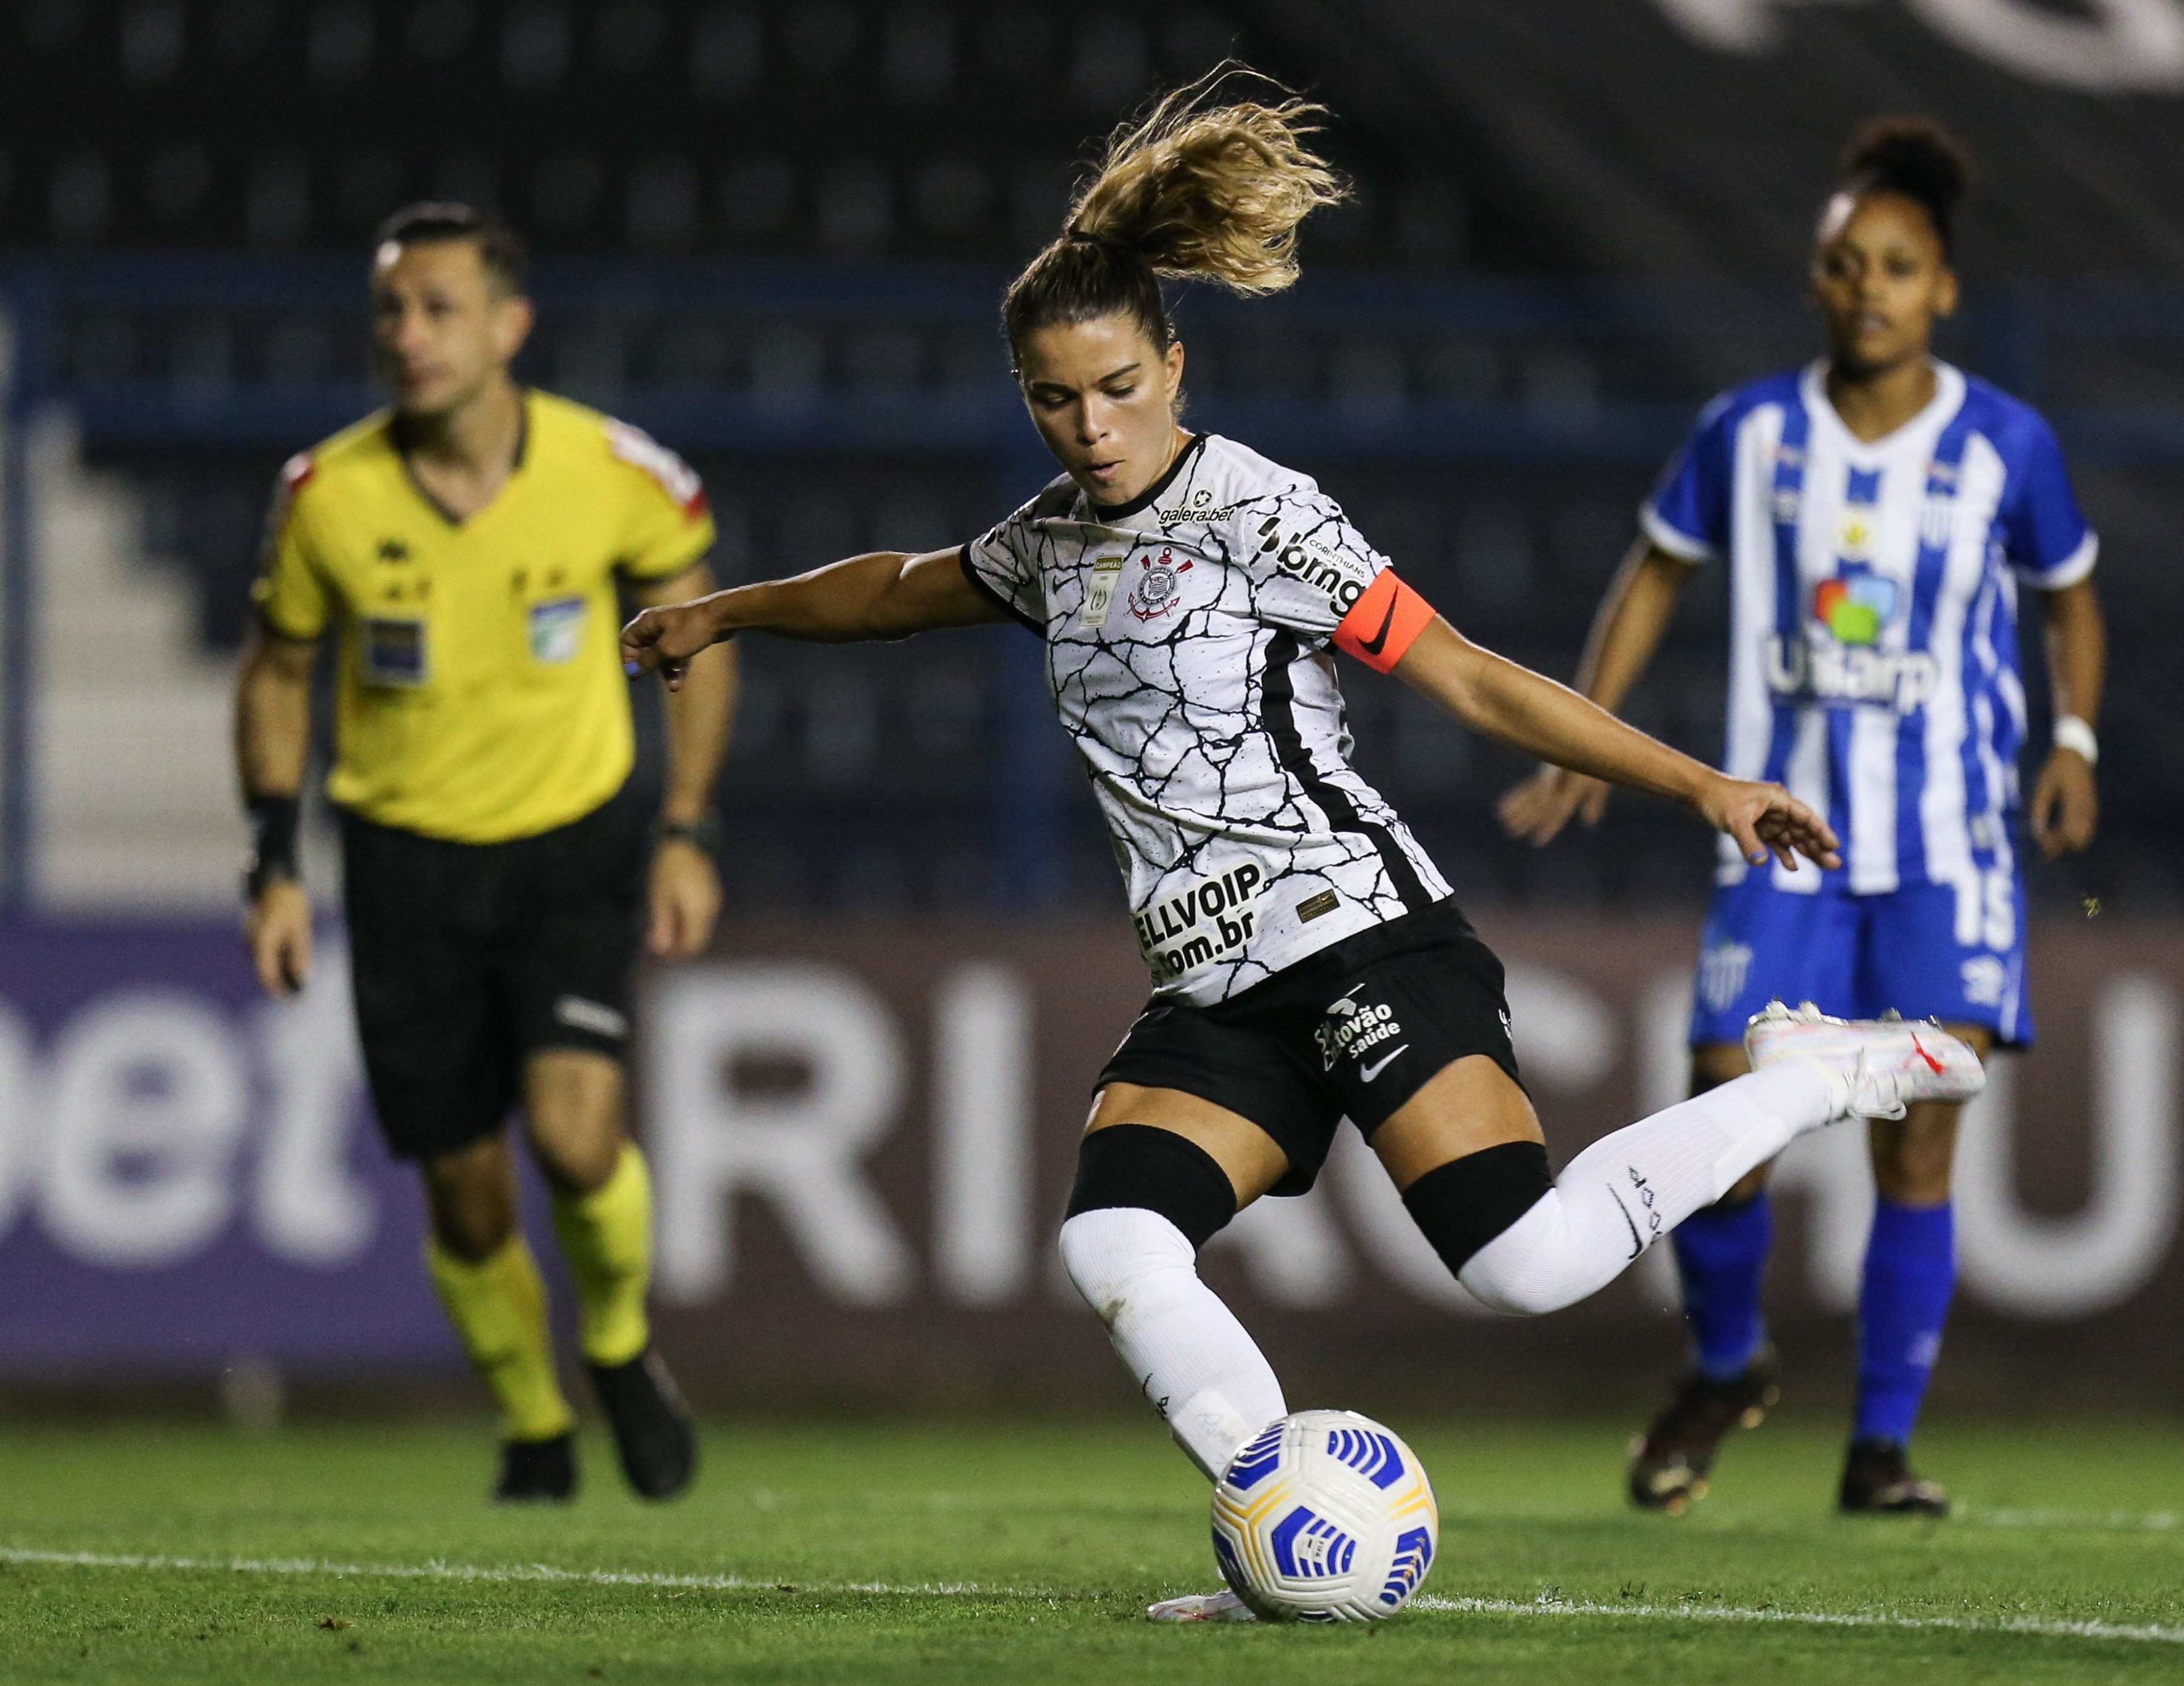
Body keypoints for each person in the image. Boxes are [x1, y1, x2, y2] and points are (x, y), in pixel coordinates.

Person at [621, 75, 1983, 1617]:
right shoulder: (1048, 542)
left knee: (1521, 1265)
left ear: (1175, 363)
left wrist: (1701, 786)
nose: (1093, 426)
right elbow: (889, 588)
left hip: (1355, 930)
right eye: (1056, 400)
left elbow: (1465, 672)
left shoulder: (1259, 512)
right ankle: (1283, 1531)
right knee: (1119, 1239)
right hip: (1213, 989)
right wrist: (725, 609)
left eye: (1120, 388)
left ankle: (1815, 1073)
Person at [1500, 119, 2107, 1517]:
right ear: (1816, 281)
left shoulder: (2008, 446)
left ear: (1939, 287)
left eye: (1896, 266)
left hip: (1946, 850)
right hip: (1783, 838)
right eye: (1844, 264)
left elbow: (2069, 593)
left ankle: (1879, 1449)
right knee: (1726, 1101)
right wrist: (1598, 733)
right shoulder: (1748, 433)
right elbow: (1652, 571)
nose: (1868, 287)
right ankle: (1724, 1364)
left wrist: (2069, 735)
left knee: (1918, 1131)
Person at [236, 203, 738, 1503]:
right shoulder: (328, 496)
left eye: (438, 308)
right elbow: (280, 673)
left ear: (509, 325)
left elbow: (699, 630)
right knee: (464, 1196)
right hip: (404, 863)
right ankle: (532, 1421)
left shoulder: (611, 470)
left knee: (575, 1141)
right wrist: (274, 863)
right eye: (392, 311)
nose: (409, 336)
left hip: (573, 843)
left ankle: (619, 1346)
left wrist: (686, 825)